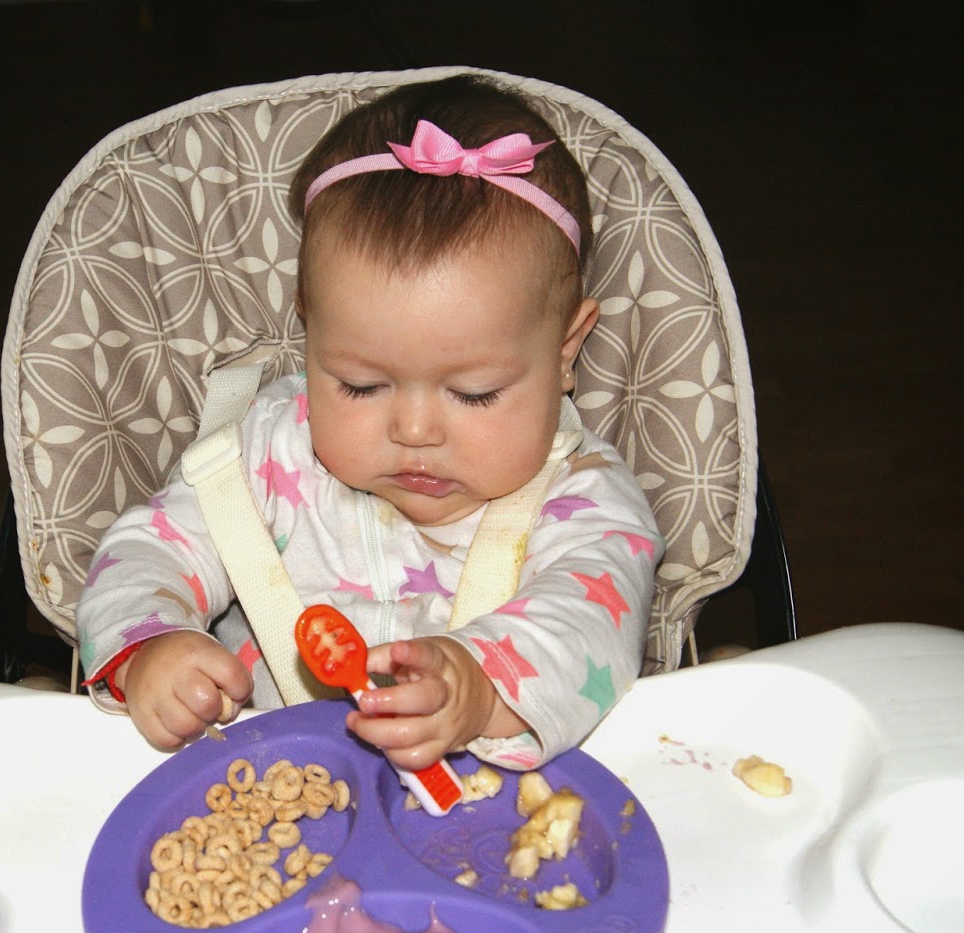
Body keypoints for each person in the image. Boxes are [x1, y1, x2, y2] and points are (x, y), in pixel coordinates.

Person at [75, 74, 663, 772]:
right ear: (310, 332)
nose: (413, 429)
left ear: (566, 350)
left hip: (488, 805)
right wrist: (150, 646)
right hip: (270, 788)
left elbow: (588, 624)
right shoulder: (266, 453)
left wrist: (479, 687)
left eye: (474, 393)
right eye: (360, 384)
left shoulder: (587, 500)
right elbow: (145, 553)